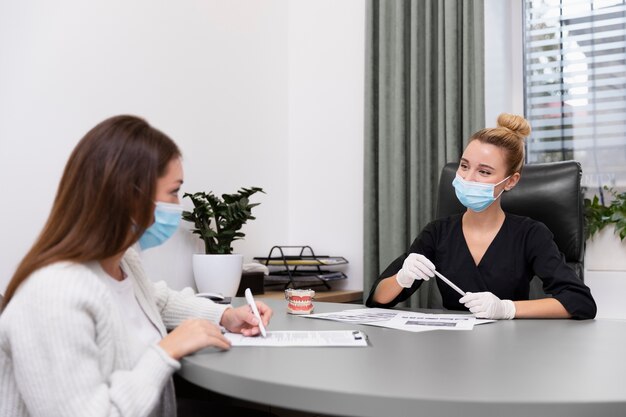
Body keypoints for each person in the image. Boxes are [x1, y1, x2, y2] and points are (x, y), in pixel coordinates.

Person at [0, 115, 273, 417]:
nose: (177, 205)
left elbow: (157, 300)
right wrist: (166, 351)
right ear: (129, 196)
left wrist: (227, 315)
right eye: (172, 192)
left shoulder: (121, 260)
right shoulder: (52, 296)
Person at [366, 113, 596, 320]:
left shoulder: (530, 234)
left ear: (511, 181)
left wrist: (507, 309)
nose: (469, 178)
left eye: (484, 172)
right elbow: (379, 299)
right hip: (449, 348)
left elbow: (581, 302)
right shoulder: (437, 233)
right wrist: (402, 278)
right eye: (464, 166)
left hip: (512, 347)